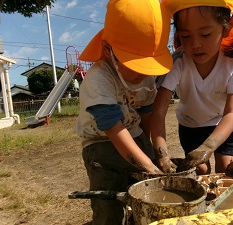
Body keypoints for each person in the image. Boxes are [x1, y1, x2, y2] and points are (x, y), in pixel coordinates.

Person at [76, 0, 175, 224]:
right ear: (109, 51)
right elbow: (114, 130)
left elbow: (148, 115)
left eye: (149, 65)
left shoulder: (148, 79)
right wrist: (149, 167)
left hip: (135, 133)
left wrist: (155, 154)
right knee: (110, 206)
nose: (144, 73)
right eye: (136, 64)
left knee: (146, 198)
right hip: (101, 143)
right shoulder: (98, 80)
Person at [150, 0, 233, 175]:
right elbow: (158, 111)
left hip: (224, 123)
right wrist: (162, 155)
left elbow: (232, 113)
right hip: (190, 125)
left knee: (226, 170)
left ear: (226, 28)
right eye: (186, 36)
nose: (195, 44)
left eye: (205, 34)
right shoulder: (178, 62)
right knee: (199, 171)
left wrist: (208, 146)